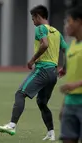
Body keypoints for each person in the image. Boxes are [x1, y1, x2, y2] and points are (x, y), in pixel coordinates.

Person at [0, 5, 68, 141]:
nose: (32, 21)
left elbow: (45, 44)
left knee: (20, 94)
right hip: (53, 73)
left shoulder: (40, 29)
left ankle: (12, 125)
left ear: (38, 16)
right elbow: (67, 51)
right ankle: (51, 133)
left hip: (42, 69)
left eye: (33, 18)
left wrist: (32, 60)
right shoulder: (57, 32)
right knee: (42, 102)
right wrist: (64, 68)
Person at [59, 5, 82, 143]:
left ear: (79, 21)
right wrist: (63, 106)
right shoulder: (71, 47)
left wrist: (76, 84)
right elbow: (71, 77)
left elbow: (73, 82)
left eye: (69, 21)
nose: (66, 26)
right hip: (70, 104)